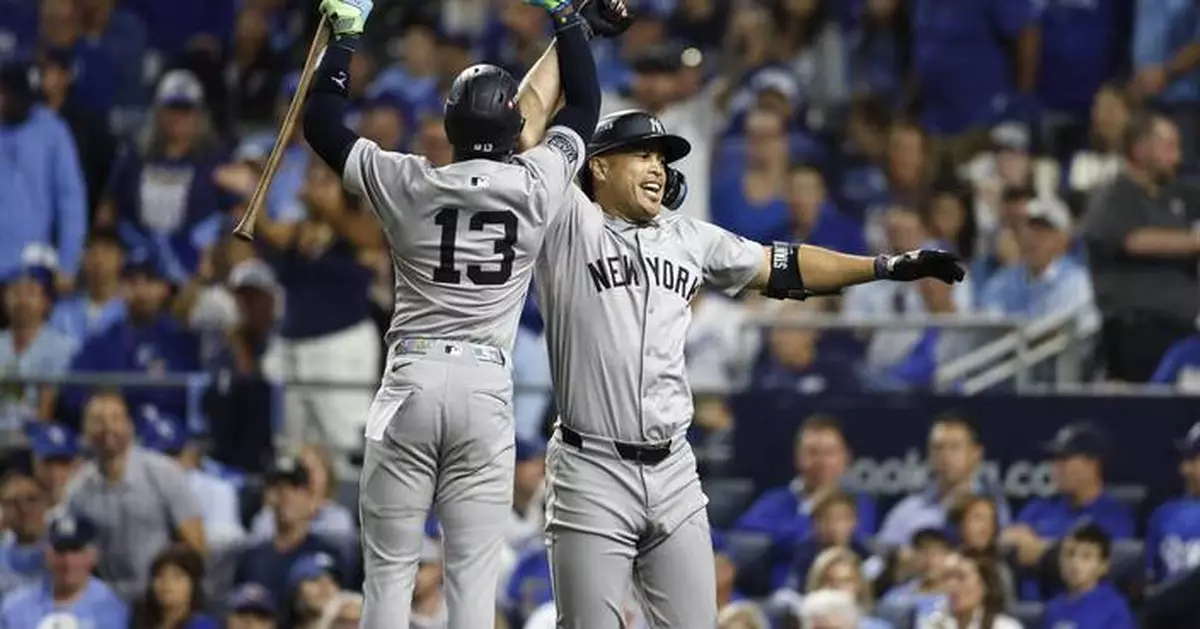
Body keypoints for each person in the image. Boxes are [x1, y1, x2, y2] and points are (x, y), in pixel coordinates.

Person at [514, 40, 963, 629]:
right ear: (597, 165)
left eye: (661, 157)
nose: (656, 167)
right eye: (640, 155)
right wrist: (570, 31)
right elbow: (524, 129)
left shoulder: (690, 237)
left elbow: (786, 266)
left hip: (674, 466)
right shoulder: (572, 223)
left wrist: (880, 266)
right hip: (590, 466)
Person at [293, 0, 606, 626]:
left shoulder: (409, 181)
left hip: (409, 378)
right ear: (515, 123)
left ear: (449, 123)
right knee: (471, 577)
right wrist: (567, 19)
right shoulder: (536, 182)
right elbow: (584, 107)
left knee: (386, 574)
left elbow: (323, 125)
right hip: (485, 384)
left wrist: (347, 37)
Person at [1081, 112, 1200, 382]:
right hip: (1138, 333)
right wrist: (1194, 242)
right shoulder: (1114, 196)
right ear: (1140, 148)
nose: (1178, 156)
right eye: (1168, 146)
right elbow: (1132, 240)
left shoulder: (1177, 195)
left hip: (1185, 330)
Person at [64, 389, 206, 601]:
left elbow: (197, 546)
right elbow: (72, 555)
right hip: (107, 600)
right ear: (85, 431)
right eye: (97, 420)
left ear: (129, 425)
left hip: (160, 598)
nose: (108, 428)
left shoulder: (163, 472)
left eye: (115, 418)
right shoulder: (77, 490)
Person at [734, 416, 877, 590]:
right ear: (798, 457)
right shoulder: (776, 501)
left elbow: (848, 540)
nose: (821, 462)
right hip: (786, 596)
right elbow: (745, 540)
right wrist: (808, 512)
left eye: (829, 453)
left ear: (845, 458)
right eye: (812, 453)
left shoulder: (859, 503)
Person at [877, 415, 1009, 549]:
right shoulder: (906, 513)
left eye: (955, 447)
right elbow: (880, 562)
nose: (945, 456)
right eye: (938, 448)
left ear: (976, 454)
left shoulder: (993, 510)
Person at [233, 455, 345, 605]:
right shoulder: (251, 557)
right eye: (279, 488)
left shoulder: (329, 554)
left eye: (295, 487)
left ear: (311, 499)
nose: (286, 495)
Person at [0, 512, 128, 629]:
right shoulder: (16, 606)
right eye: (60, 550)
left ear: (93, 556)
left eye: (76, 551)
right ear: (47, 555)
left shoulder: (110, 606)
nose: (68, 561)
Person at [1042, 523, 1136, 629]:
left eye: (1086, 556)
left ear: (1103, 565)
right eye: (1069, 554)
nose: (1075, 563)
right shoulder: (1053, 608)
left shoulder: (1114, 609)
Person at [1145, 422, 1200, 584]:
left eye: (1193, 460)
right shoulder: (1164, 515)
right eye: (1185, 460)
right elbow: (1149, 579)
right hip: (1169, 607)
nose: (1184, 470)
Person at [919, 553, 1020, 629]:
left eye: (961, 577)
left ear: (984, 586)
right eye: (946, 578)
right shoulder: (932, 624)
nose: (952, 585)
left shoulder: (1004, 626)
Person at [130, 545, 218, 629]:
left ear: (193, 584)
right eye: (160, 575)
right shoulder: (139, 620)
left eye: (177, 577)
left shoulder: (203, 626)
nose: (167, 583)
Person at [0, 473, 51, 595]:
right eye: (13, 502)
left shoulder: (65, 549)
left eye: (31, 499)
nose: (24, 509)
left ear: (46, 502)